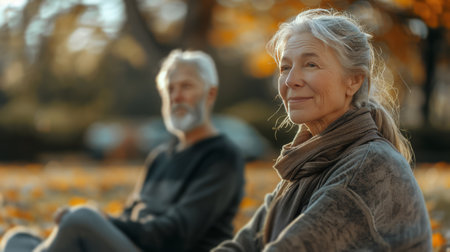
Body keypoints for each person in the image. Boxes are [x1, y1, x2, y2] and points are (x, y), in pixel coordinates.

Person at [213, 8, 432, 252]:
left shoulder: (368, 166)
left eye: (311, 64)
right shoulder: (309, 162)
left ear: (354, 80)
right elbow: (244, 246)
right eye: (285, 67)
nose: (290, 80)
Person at [1, 49, 245, 252]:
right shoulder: (160, 156)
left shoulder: (222, 156)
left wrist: (100, 221)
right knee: (18, 240)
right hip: (131, 245)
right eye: (169, 89)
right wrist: (103, 224)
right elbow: (130, 216)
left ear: (210, 93)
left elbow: (176, 235)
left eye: (186, 87)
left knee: (80, 219)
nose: (176, 96)